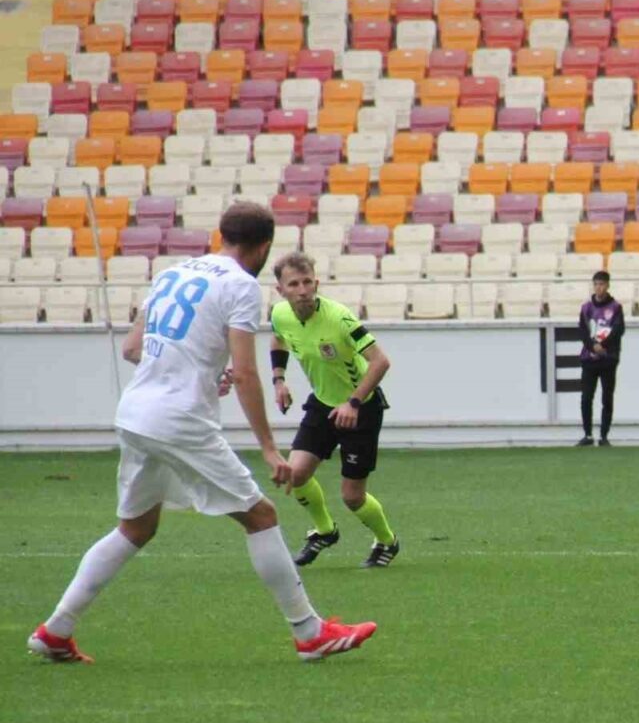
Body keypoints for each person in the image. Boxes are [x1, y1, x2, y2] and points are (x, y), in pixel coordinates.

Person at [27, 202, 376, 664]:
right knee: (261, 516)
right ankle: (310, 634)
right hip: (180, 421)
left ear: (222, 235)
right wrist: (269, 449)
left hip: (135, 412)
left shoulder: (171, 273)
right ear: (265, 246)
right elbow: (247, 374)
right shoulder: (241, 285)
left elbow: (132, 348)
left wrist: (205, 373)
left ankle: (56, 630)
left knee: (135, 527)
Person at [270, 252, 399, 569]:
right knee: (295, 474)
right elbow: (278, 340)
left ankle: (387, 541)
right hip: (322, 404)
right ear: (280, 290)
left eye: (307, 282)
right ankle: (325, 531)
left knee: (352, 496)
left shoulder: (340, 318)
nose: (303, 290)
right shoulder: (280, 314)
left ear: (316, 283)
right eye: (294, 284)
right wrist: (279, 380)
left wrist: (353, 402)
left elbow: (380, 361)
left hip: (361, 408)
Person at [577, 270, 625, 447]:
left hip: (608, 358)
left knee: (607, 398)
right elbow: (583, 331)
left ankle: (604, 436)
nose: (599, 288)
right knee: (586, 397)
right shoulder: (586, 308)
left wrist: (603, 346)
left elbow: (618, 330)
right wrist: (592, 346)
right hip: (589, 359)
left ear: (608, 285)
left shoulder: (616, 307)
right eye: (596, 284)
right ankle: (588, 434)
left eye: (602, 284)